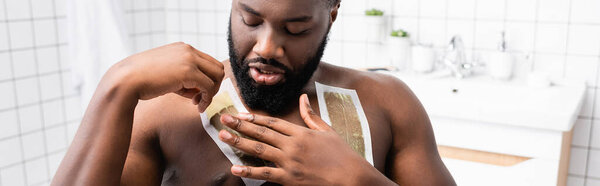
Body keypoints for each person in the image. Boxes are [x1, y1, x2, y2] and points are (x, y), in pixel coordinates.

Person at [51, 0, 456, 185]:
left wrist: (356, 180)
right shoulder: (166, 111)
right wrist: (116, 85)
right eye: (250, 19)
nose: (265, 47)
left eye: (295, 29)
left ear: (331, 13)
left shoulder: (386, 102)